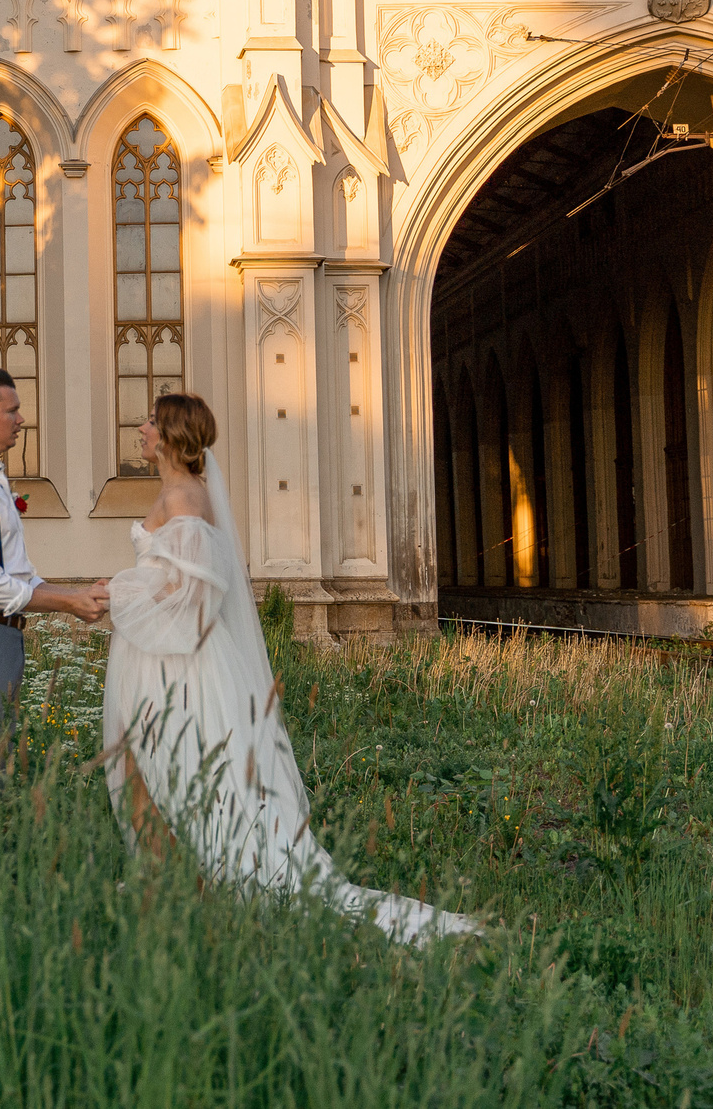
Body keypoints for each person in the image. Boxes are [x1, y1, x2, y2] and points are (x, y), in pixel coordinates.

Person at [101, 392, 481, 944]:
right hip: (161, 654)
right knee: (157, 765)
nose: (141, 428)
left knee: (171, 767)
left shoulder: (183, 498)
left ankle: (188, 884)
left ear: (171, 436)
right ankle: (171, 882)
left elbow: (193, 594)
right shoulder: (181, 493)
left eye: (151, 421)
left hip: (179, 664)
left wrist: (118, 592)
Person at [0, 367, 108, 832]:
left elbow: (21, 576)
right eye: (12, 411)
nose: (21, 420)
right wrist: (68, 605)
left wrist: (78, 595)